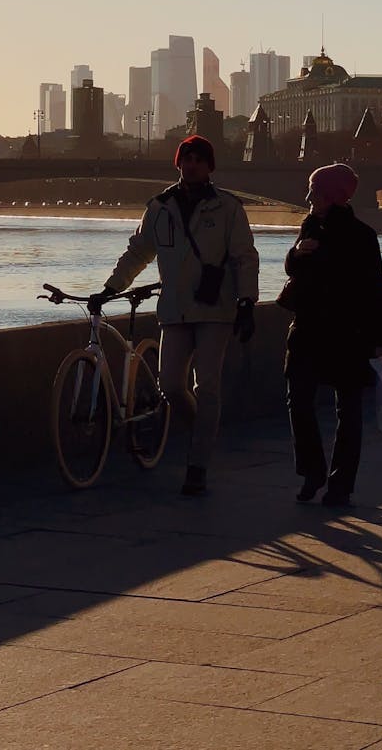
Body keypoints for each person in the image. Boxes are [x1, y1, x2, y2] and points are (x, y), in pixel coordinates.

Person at [89, 134, 259, 496]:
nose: (191, 165)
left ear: (209, 166)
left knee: (207, 385)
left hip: (216, 310)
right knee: (169, 386)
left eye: (199, 159)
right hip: (175, 309)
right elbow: (138, 252)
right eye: (186, 159)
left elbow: (245, 257)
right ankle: (203, 433)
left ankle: (197, 465)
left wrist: (247, 302)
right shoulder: (160, 207)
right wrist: (111, 288)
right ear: (178, 164)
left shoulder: (228, 208)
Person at [281, 163, 382, 507]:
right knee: (298, 400)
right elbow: (294, 268)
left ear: (331, 196)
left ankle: (341, 484)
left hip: (348, 332)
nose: (308, 197)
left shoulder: (362, 236)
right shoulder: (309, 225)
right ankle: (313, 471)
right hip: (308, 328)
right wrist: (296, 254)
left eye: (313, 191)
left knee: (349, 409)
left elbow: (376, 290)